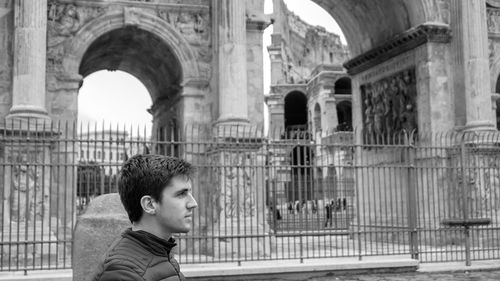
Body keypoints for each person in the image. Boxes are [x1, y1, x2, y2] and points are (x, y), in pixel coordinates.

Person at [92, 154, 198, 281]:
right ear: (149, 205)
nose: (193, 203)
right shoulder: (123, 272)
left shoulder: (161, 251)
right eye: (181, 194)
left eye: (190, 193)